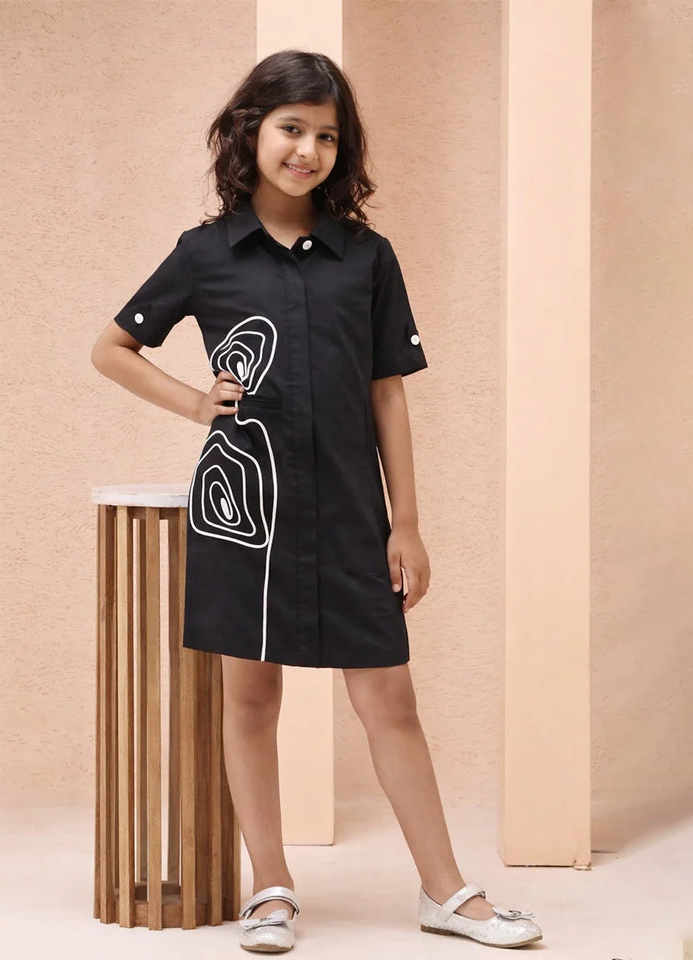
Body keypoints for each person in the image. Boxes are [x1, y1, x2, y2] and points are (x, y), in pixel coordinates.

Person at [91, 49, 543, 954]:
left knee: (391, 703)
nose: (308, 149)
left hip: (347, 516)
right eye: (292, 128)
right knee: (251, 702)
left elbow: (387, 391)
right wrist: (194, 403)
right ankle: (272, 888)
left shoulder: (368, 257)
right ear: (251, 131)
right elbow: (112, 347)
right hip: (241, 515)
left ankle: (447, 893)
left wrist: (405, 521)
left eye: (327, 135)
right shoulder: (204, 254)